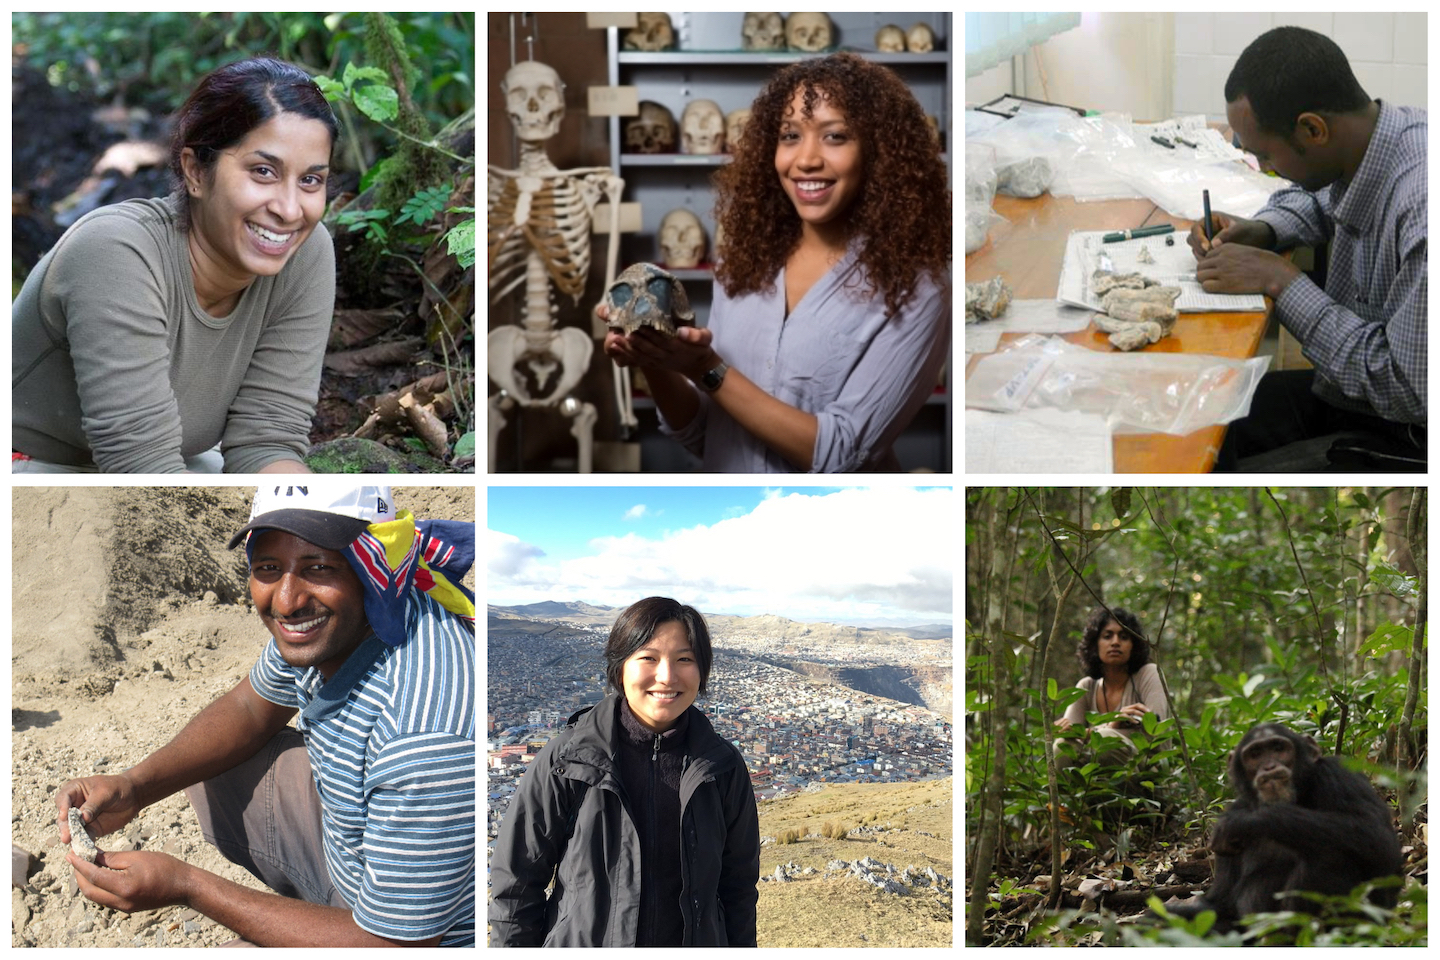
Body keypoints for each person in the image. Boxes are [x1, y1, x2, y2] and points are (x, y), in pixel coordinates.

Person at [55, 485, 477, 946]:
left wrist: (188, 886)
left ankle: (329, 922)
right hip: (351, 859)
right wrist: (136, 786)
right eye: (269, 569)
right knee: (212, 760)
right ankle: (322, 912)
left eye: (320, 568)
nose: (287, 601)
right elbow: (250, 708)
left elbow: (394, 947)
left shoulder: (425, 737)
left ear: (373, 570)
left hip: (410, 941)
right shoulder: (342, 620)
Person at [602, 52, 951, 472]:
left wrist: (706, 368)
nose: (805, 159)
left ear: (879, 152)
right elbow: (705, 437)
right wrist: (655, 359)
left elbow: (840, 453)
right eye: (790, 136)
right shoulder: (745, 261)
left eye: (835, 136)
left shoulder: (919, 285)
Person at [14, 57, 338, 473]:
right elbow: (141, 463)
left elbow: (268, 437)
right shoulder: (115, 252)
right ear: (195, 172)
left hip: (154, 463)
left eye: (311, 180)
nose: (290, 209)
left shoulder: (306, 252)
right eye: (263, 172)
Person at [1187, 27, 1426, 472]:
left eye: (1266, 158)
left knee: (1214, 467)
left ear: (1313, 129)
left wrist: (1279, 279)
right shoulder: (1374, 140)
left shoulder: (1423, 213)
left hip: (1408, 432)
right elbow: (1321, 195)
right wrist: (1263, 230)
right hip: (1357, 395)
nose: (1263, 169)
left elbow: (1407, 389)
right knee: (1201, 414)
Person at [490, 596, 760, 946]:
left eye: (685, 659)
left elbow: (738, 888)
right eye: (648, 657)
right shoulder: (569, 760)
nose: (667, 676)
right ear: (620, 666)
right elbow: (516, 884)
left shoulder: (721, 767)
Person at [1053, 606, 1168, 765]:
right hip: (1093, 780)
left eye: (1124, 637)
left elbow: (1156, 735)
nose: (1115, 642)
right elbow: (1069, 735)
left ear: (1133, 645)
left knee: (1107, 740)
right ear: (1095, 644)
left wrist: (1103, 732)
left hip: (1147, 774)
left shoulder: (1148, 674)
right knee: (1062, 746)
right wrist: (1111, 724)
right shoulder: (1086, 687)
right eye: (1107, 636)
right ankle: (1068, 791)